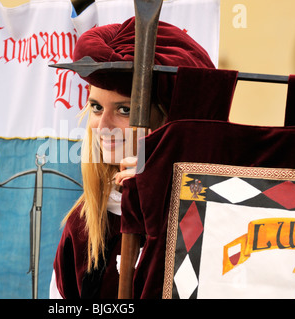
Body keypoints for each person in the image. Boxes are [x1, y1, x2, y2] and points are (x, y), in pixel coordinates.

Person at [50, 17, 215, 298]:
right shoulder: (82, 225)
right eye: (96, 107)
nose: (103, 126)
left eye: (125, 110)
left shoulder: (207, 217)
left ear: (167, 121)